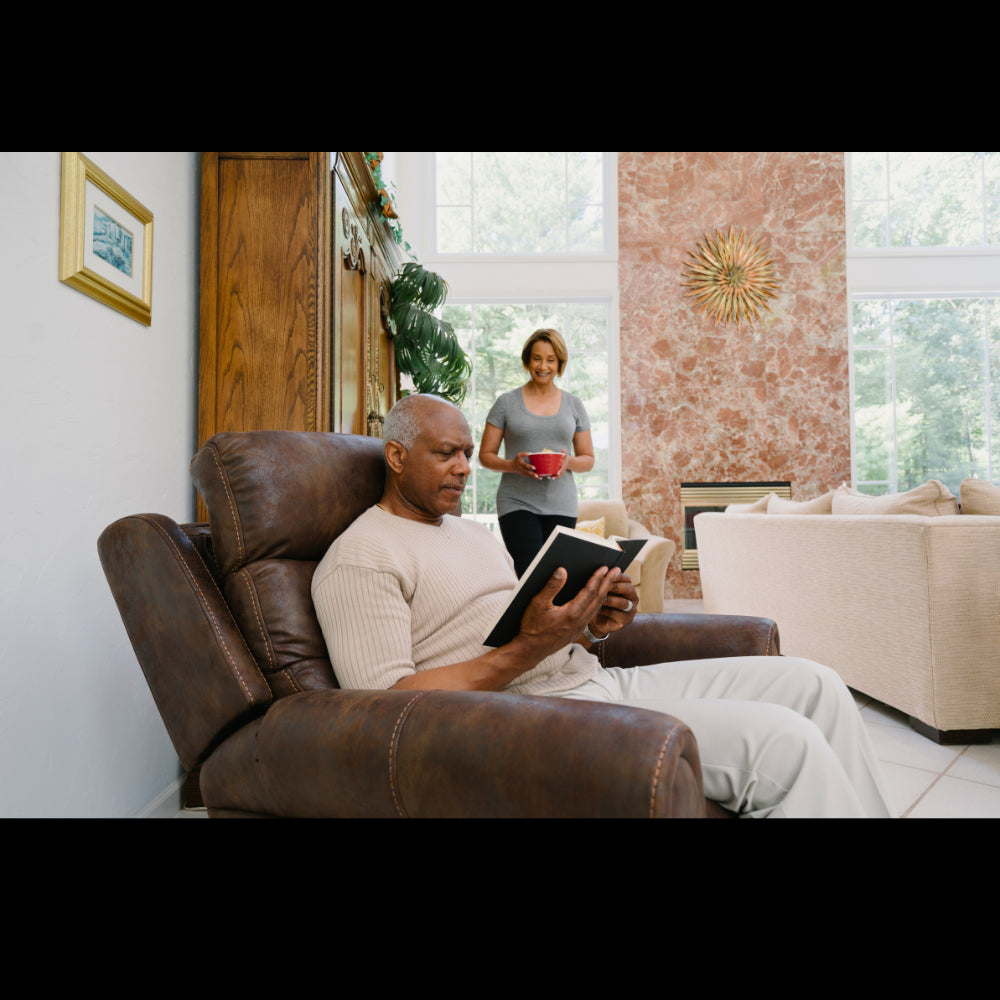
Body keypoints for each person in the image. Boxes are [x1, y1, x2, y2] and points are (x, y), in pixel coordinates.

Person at [311, 394, 896, 819]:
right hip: (527, 717)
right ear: (395, 456)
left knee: (814, 682)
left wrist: (589, 625)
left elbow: (519, 629)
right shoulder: (361, 556)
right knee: (785, 745)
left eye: (468, 453)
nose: (466, 468)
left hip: (593, 682)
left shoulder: (467, 533)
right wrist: (532, 647)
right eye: (447, 455)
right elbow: (381, 709)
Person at [479, 329, 595, 577]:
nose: (543, 366)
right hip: (516, 501)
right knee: (530, 574)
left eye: (551, 359)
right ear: (527, 360)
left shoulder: (574, 404)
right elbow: (485, 455)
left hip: (561, 503)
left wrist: (568, 462)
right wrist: (513, 465)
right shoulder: (506, 403)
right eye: (537, 358)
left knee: (558, 577)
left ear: (560, 364)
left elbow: (588, 459)